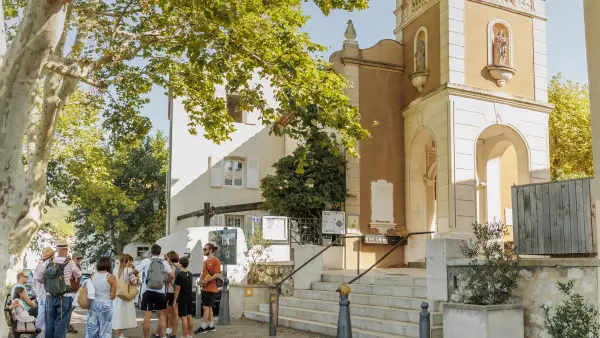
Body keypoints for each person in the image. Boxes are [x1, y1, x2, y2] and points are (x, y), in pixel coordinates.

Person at [34, 238, 82, 338]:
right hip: (64, 297)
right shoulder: (70, 262)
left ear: (57, 249)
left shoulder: (49, 262)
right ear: (66, 249)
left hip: (50, 296)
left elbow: (37, 276)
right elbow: (79, 273)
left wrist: (47, 283)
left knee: (49, 323)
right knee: (61, 324)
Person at [136, 244, 174, 338]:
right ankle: (163, 336)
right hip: (160, 292)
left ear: (151, 252)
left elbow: (134, 270)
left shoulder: (146, 261)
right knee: (161, 315)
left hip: (147, 291)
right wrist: (166, 282)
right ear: (160, 252)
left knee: (147, 317)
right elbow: (172, 274)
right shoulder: (164, 262)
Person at [85, 257, 117, 338]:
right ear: (109, 265)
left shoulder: (93, 276)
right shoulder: (111, 277)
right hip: (106, 304)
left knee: (92, 329)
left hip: (93, 304)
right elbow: (113, 296)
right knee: (105, 330)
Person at [194, 243, 221, 334]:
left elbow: (217, 274)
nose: (204, 251)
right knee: (209, 308)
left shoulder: (215, 260)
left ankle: (204, 327)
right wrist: (201, 281)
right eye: (203, 249)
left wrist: (207, 281)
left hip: (211, 288)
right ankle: (211, 326)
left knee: (205, 308)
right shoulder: (205, 262)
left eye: (205, 249)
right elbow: (203, 273)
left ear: (210, 250)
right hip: (205, 288)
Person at [113, 254, 138, 338]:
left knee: (118, 314)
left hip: (118, 294)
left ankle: (119, 333)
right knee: (123, 315)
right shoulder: (129, 270)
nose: (131, 262)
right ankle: (119, 334)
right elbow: (134, 282)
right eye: (130, 261)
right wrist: (137, 277)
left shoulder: (116, 270)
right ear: (126, 261)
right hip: (126, 294)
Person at [33, 247, 54, 333]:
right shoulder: (47, 265)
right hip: (44, 294)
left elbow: (34, 282)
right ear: (52, 255)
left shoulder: (39, 265)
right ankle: (38, 334)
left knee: (42, 315)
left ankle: (39, 333)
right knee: (43, 316)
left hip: (40, 294)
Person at [173, 257, 193, 338]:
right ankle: (190, 335)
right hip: (189, 297)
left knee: (183, 317)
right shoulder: (190, 274)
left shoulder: (179, 275)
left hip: (182, 298)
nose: (177, 264)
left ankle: (184, 336)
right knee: (189, 316)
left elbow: (177, 289)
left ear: (180, 264)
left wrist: (175, 300)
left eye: (178, 263)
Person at [164, 251, 180, 338]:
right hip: (176, 292)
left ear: (170, 257)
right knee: (175, 312)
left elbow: (169, 278)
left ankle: (168, 328)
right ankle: (174, 332)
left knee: (168, 312)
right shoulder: (178, 267)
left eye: (167, 256)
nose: (166, 258)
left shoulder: (168, 266)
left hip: (169, 292)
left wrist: (166, 282)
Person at [66, 255, 83, 334]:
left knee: (70, 309)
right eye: (78, 258)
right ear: (73, 258)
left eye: (80, 258)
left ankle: (67, 325)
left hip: (75, 290)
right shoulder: (70, 265)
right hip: (70, 291)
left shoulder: (78, 266)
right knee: (69, 309)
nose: (79, 259)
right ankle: (66, 325)